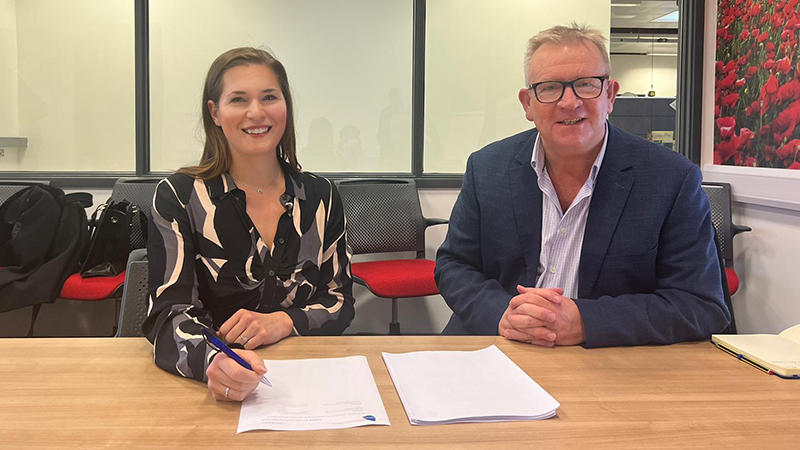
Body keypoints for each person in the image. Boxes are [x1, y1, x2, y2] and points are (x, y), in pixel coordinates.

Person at [434, 23, 730, 347]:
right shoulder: (487, 168)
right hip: (498, 345)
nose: (569, 102)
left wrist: (585, 322)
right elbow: (454, 265)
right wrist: (502, 314)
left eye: (586, 85)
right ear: (527, 104)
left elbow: (700, 304)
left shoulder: (672, 179)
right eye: (549, 88)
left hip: (608, 362)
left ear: (610, 94)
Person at [143, 47, 355, 401]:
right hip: (211, 384)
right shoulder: (180, 197)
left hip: (309, 381)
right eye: (238, 99)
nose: (256, 112)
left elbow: (339, 300)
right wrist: (213, 361)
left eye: (269, 97)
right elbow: (168, 317)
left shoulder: (321, 195)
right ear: (215, 112)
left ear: (285, 105)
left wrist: (286, 321)